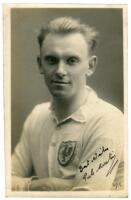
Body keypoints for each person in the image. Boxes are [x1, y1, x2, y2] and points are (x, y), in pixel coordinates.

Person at [11, 17, 124, 191]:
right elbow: (5, 179)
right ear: (40, 64)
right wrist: (40, 185)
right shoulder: (37, 116)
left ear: (90, 66)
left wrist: (23, 187)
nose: (60, 71)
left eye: (71, 61)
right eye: (51, 60)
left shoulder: (108, 120)